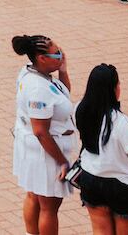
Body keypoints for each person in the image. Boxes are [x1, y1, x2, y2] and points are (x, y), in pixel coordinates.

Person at [10, 33, 78, 235]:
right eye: (57, 53)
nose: (61, 55)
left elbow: (62, 93)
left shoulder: (30, 73)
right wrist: (62, 161)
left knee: (33, 196)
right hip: (46, 153)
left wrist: (63, 70)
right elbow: (41, 132)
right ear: (42, 58)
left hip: (33, 147)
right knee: (49, 206)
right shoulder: (38, 89)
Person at [73, 63, 128, 234]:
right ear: (113, 89)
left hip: (91, 178)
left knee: (100, 231)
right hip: (121, 186)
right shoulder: (121, 122)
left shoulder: (80, 110)